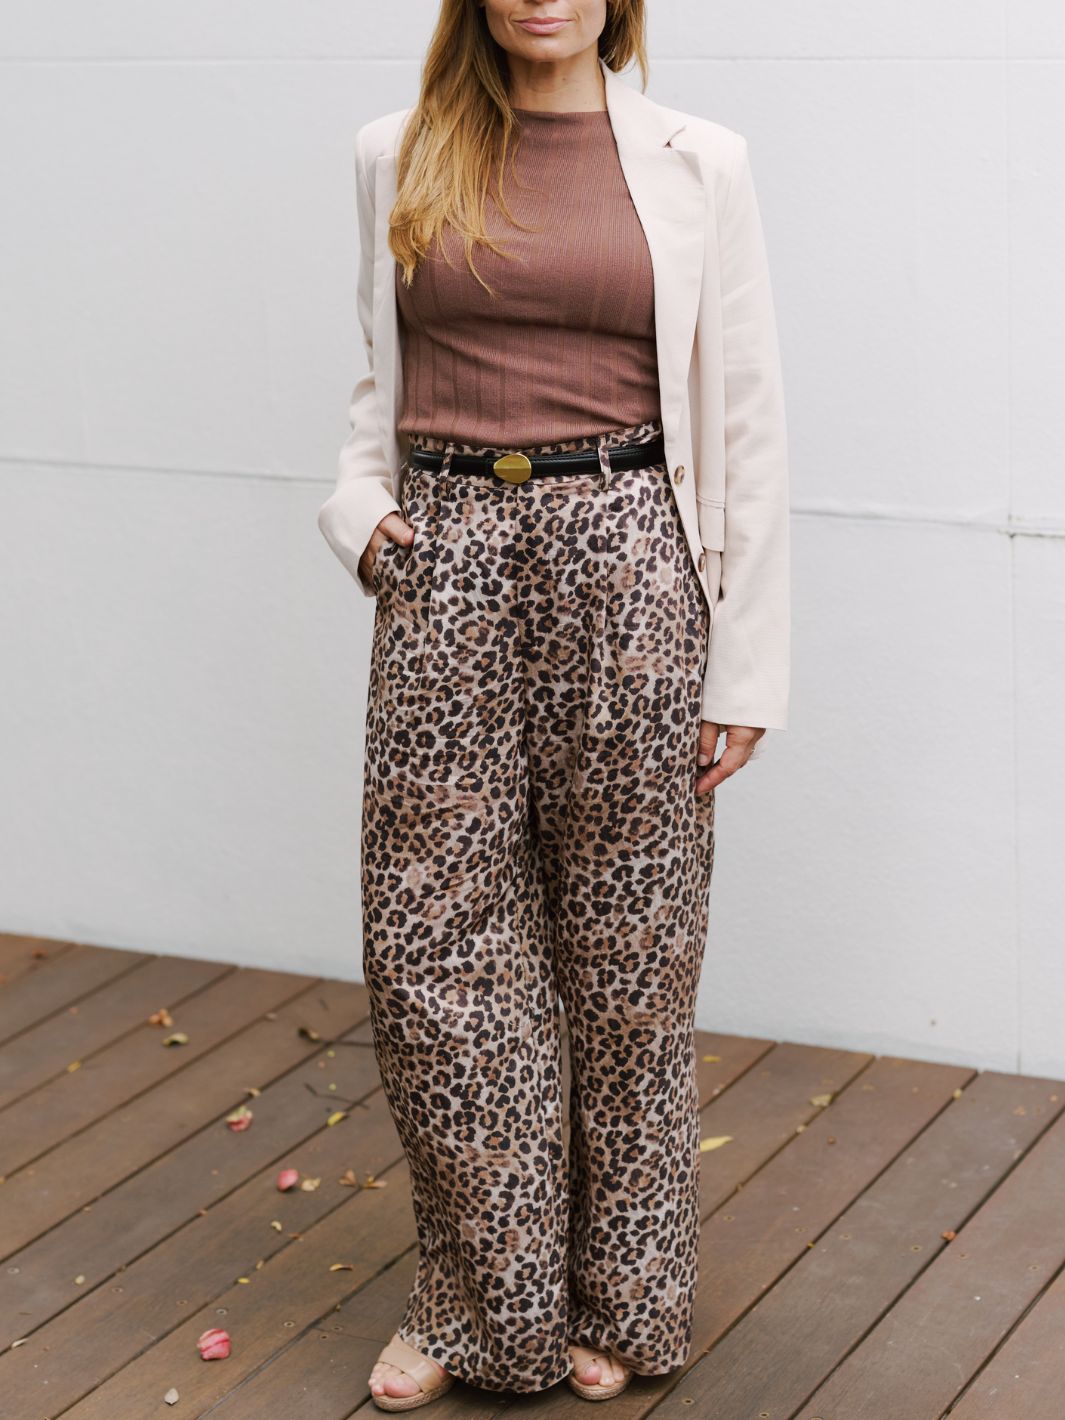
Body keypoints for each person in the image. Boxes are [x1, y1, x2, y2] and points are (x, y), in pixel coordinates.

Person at [316, 0, 789, 1408]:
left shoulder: (701, 160)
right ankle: (479, 1306)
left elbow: (747, 414)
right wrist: (359, 514)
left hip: (630, 556)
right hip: (448, 557)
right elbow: (376, 375)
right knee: (434, 955)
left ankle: (626, 1302)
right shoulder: (394, 150)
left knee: (631, 963)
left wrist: (746, 664)